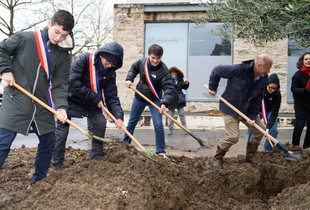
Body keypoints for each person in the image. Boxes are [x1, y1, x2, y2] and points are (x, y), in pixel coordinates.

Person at [0, 10, 74, 184]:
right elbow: (2, 49)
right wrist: (6, 70)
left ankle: (38, 182)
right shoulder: (26, 39)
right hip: (16, 99)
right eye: (57, 32)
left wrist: (61, 107)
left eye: (64, 35)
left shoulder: (64, 55)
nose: (59, 38)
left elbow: (61, 84)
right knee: (3, 143)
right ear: (49, 24)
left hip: (42, 104)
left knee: (49, 141)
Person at [52, 41, 124, 169]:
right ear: (101, 55)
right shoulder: (84, 60)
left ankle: (96, 160)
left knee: (101, 123)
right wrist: (94, 98)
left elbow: (111, 96)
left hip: (91, 103)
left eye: (113, 64)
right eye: (107, 62)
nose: (109, 66)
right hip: (72, 99)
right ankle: (57, 164)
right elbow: (73, 83)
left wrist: (118, 116)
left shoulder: (110, 73)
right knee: (62, 131)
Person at [208, 54, 273, 169]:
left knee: (260, 130)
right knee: (233, 137)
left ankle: (250, 156)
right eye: (267, 68)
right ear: (258, 66)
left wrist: (252, 116)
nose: (269, 71)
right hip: (230, 108)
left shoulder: (263, 78)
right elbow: (217, 70)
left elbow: (258, 99)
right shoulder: (239, 70)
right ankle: (217, 158)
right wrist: (213, 87)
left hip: (247, 111)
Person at [123, 44, 176, 158]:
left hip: (155, 99)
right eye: (153, 58)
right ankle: (125, 145)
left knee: (158, 124)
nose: (155, 61)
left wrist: (165, 103)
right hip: (140, 97)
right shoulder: (142, 63)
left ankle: (161, 152)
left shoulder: (163, 70)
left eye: (158, 58)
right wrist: (129, 79)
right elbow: (133, 68)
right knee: (132, 122)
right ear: (148, 55)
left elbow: (168, 87)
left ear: (161, 57)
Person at [247, 73, 281, 151]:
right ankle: (250, 150)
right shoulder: (259, 89)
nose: (272, 90)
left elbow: (275, 112)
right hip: (256, 111)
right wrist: (252, 116)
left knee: (273, 131)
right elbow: (251, 102)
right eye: (271, 88)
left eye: (275, 89)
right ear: (267, 84)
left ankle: (268, 151)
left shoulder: (277, 95)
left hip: (269, 113)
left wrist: (268, 126)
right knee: (252, 129)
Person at [291, 52, 310, 149]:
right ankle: (295, 147)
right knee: (299, 125)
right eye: (306, 59)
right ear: (302, 61)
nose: (308, 60)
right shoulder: (298, 75)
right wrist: (306, 91)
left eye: (309, 59)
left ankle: (306, 149)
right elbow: (293, 89)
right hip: (300, 105)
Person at [167, 66, 189, 135]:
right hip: (171, 98)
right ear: (170, 73)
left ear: (177, 73)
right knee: (170, 115)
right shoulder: (168, 80)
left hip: (179, 99)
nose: (174, 74)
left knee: (181, 114)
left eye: (175, 73)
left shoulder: (180, 79)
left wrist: (186, 83)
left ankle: (185, 128)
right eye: (172, 73)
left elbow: (184, 88)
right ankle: (170, 129)